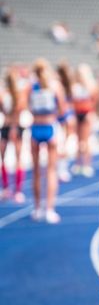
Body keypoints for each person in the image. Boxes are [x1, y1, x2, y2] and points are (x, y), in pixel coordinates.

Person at [28, 58, 67, 224]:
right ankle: (50, 210)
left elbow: (26, 106)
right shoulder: (55, 86)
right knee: (51, 171)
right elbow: (63, 108)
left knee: (37, 171)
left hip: (36, 127)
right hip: (50, 127)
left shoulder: (30, 87)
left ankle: (37, 208)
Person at [0, 66, 27, 203]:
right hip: (9, 126)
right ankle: (11, 189)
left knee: (12, 158)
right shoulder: (6, 94)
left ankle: (14, 189)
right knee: (12, 158)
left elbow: (18, 111)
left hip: (13, 126)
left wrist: (13, 127)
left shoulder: (17, 94)